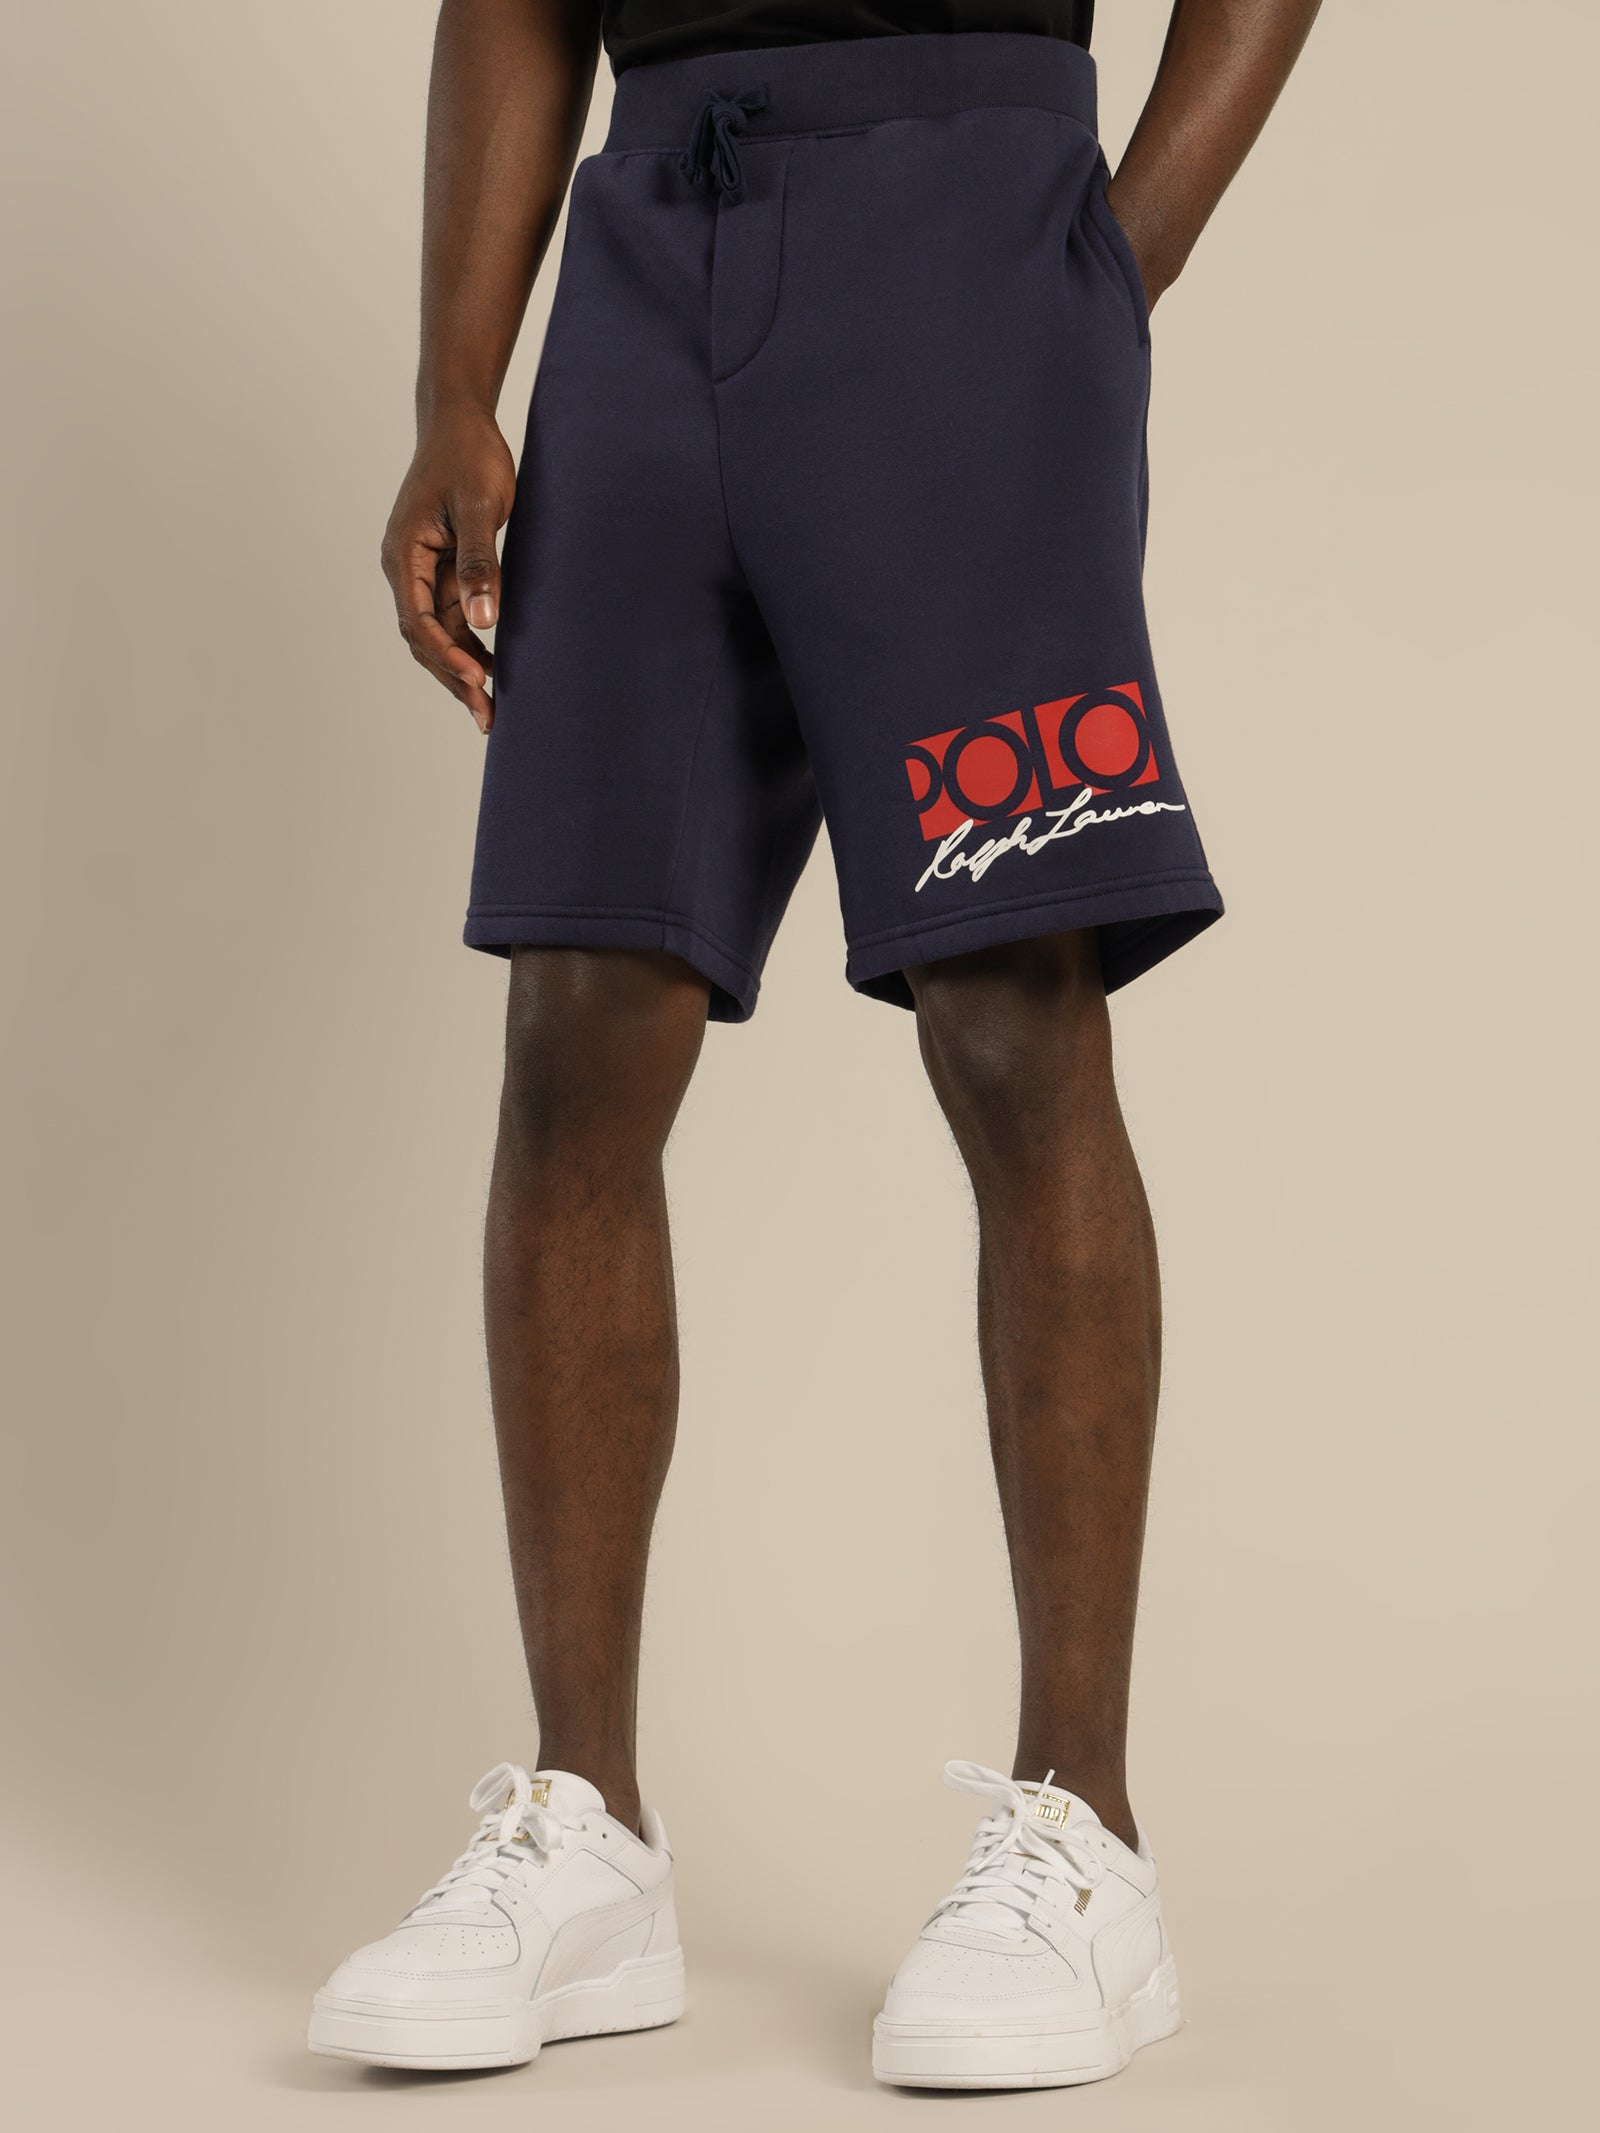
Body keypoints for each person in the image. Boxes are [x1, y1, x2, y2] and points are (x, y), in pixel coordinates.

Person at [309, 0, 1319, 2090]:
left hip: (971, 243)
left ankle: (1086, 1829)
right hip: (643, 270)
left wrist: (1104, 263)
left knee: (1008, 1012)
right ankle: (587, 1830)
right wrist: (454, 384)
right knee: (578, 1018)